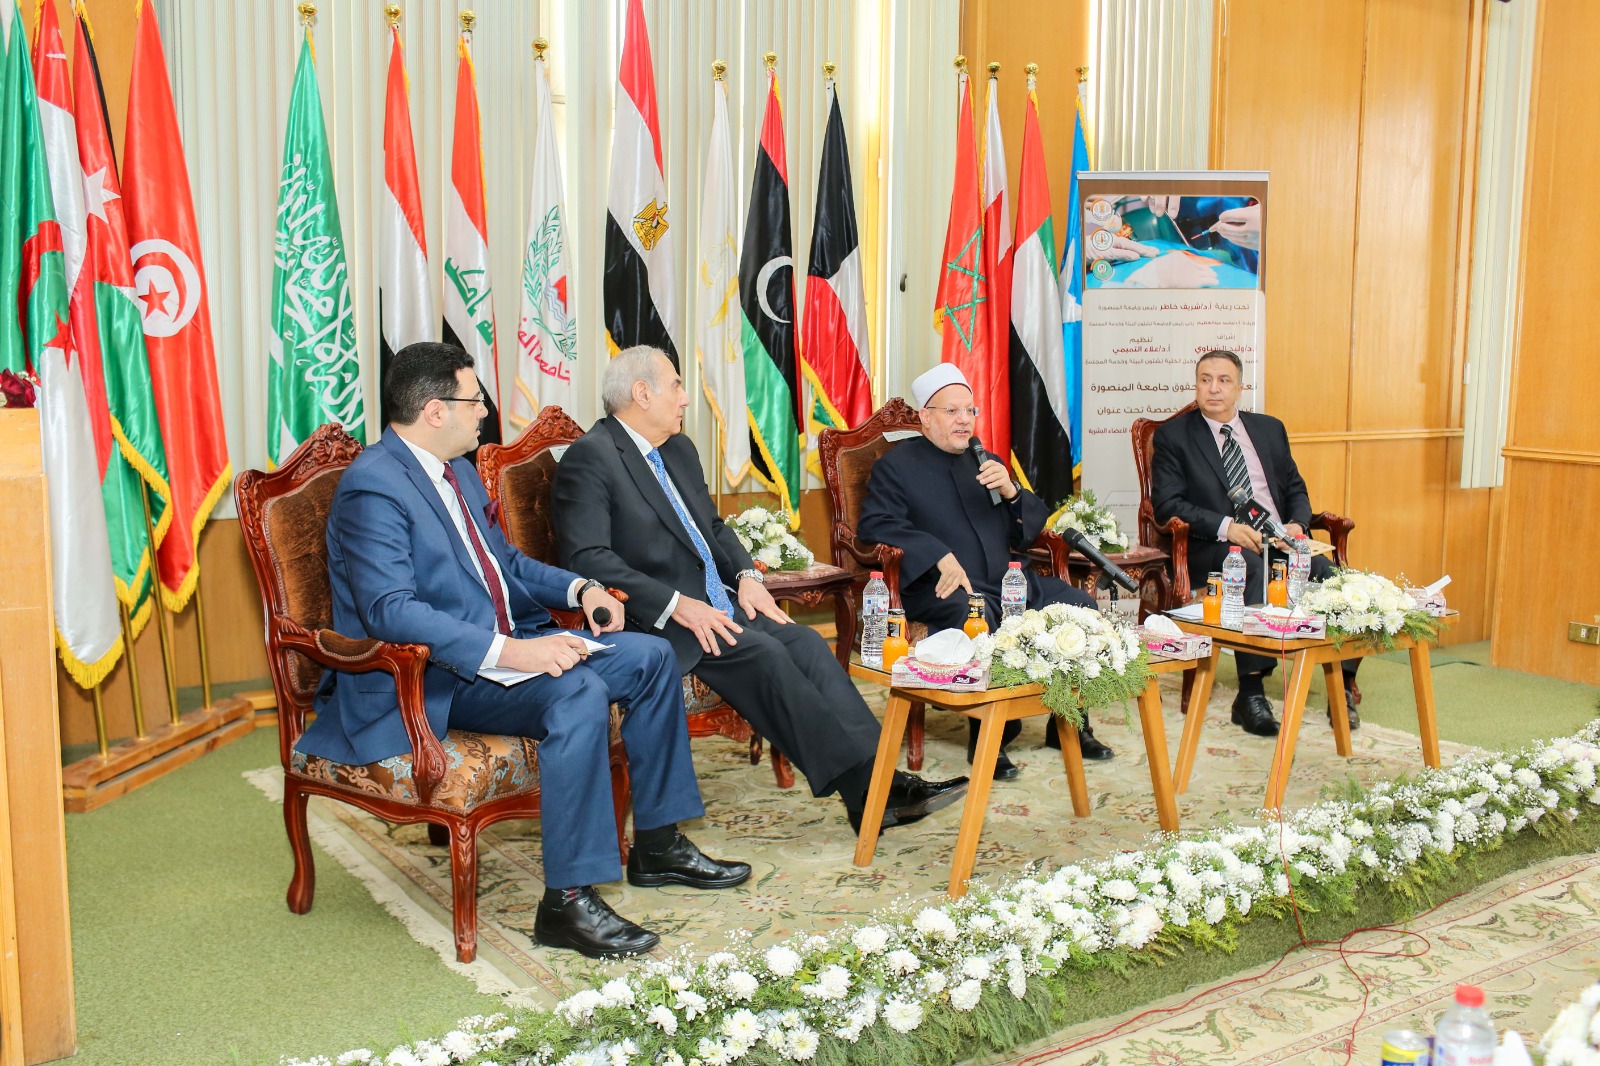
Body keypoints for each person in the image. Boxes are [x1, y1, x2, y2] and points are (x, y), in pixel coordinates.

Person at [297, 341, 750, 961]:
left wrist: (581, 588)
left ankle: (658, 844)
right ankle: (567, 902)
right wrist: (510, 652)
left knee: (649, 657)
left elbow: (503, 563)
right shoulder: (372, 487)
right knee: (576, 690)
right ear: (434, 411)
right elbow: (390, 611)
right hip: (432, 677)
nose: (484, 410)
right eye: (473, 399)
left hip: (502, 648)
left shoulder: (455, 470)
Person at [552, 346, 968, 833]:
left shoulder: (679, 450)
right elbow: (588, 558)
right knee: (766, 654)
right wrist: (678, 605)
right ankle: (872, 793)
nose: (686, 399)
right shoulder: (591, 458)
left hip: (720, 603)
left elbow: (713, 527)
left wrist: (748, 577)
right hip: (662, 622)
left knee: (806, 643)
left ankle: (879, 784)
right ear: (641, 394)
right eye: (678, 386)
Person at [857, 363, 1113, 781]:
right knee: (974, 618)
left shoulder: (986, 460)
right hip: (944, 588)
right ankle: (990, 737)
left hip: (1010, 582)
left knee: (1081, 606)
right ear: (925, 417)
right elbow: (874, 525)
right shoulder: (896, 466)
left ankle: (1070, 721)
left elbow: (1028, 529)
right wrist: (937, 553)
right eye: (952, 411)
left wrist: (1012, 492)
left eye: (970, 411)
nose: (964, 420)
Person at [1150, 349, 1359, 736]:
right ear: (1196, 385)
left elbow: (1295, 488)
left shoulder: (1268, 429)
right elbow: (1168, 505)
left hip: (1281, 541)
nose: (1214, 389)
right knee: (1249, 568)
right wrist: (1227, 526)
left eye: (1223, 380)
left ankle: (1342, 686)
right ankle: (1250, 693)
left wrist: (1297, 524)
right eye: (1205, 380)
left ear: (1240, 388)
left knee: (1337, 581)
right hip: (1218, 545)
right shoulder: (1174, 437)